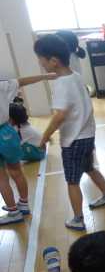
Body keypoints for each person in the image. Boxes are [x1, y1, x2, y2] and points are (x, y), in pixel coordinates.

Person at [35, 35, 105, 231]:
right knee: (89, 167)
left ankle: (78, 219)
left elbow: (59, 115)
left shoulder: (61, 84)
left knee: (72, 181)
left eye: (41, 59)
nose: (40, 63)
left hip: (73, 140)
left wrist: (44, 136)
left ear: (54, 61)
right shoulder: (76, 76)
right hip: (87, 135)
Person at [0, 75, 53, 224]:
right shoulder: (2, 85)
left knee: (2, 179)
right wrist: (46, 76)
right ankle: (23, 204)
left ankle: (13, 212)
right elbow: (21, 81)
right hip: (7, 131)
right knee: (16, 171)